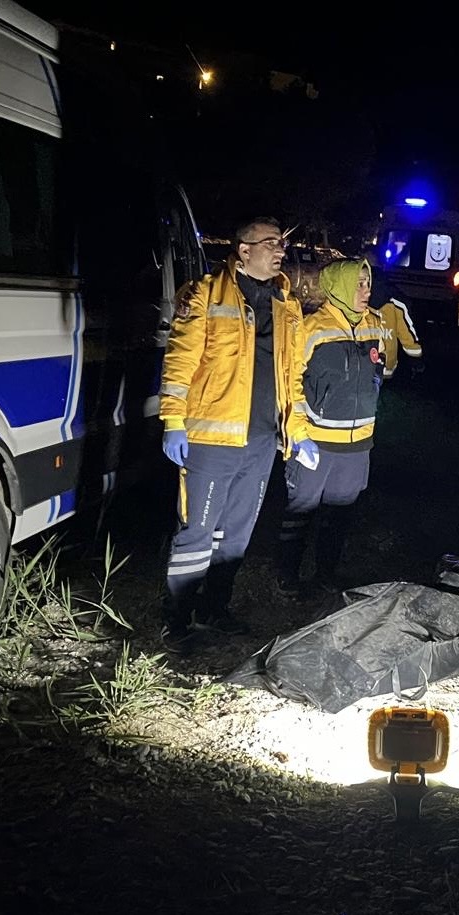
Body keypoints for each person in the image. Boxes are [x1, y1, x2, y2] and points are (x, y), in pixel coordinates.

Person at [157, 217, 316, 640]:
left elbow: (292, 377)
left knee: (235, 536)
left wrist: (298, 430)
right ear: (244, 250)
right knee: (197, 532)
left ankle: (214, 609)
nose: (280, 250)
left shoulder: (287, 304)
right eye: (270, 243)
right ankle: (177, 621)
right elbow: (179, 362)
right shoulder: (205, 293)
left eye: (282, 244)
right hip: (212, 439)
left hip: (262, 442)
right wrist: (173, 420)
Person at [276, 258, 387, 596]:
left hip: (357, 445)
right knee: (301, 511)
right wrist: (298, 432)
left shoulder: (375, 325)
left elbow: (378, 373)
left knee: (339, 515)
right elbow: (290, 382)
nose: (366, 291)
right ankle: (287, 576)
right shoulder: (311, 328)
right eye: (358, 284)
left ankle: (326, 574)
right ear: (339, 286)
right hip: (316, 441)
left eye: (368, 283)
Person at [371, 274, 424, 379]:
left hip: (358, 366)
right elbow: (407, 335)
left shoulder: (353, 297)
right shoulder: (398, 302)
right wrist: (417, 359)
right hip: (386, 366)